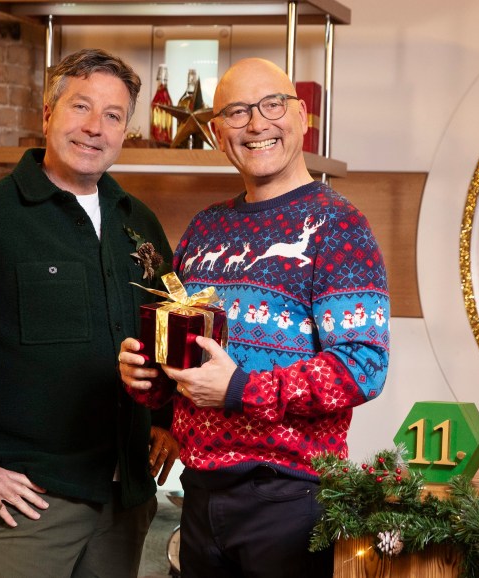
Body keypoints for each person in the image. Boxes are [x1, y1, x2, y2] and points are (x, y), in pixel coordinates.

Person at [0, 48, 179, 578]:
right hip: (31, 506)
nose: (95, 128)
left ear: (125, 131)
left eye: (113, 116)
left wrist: (164, 420)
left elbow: (164, 328)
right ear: (47, 115)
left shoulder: (139, 223)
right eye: (80, 108)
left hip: (126, 498)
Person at [119, 58, 391, 578]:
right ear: (220, 135)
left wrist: (242, 389)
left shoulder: (340, 226)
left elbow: (363, 366)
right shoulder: (204, 229)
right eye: (238, 112)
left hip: (289, 499)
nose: (257, 124)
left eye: (273, 105)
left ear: (302, 117)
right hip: (198, 495)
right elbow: (185, 363)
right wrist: (146, 378)